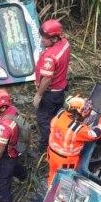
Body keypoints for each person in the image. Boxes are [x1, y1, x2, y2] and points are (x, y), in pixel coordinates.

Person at [47, 97, 101, 186]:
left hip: (51, 154)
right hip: (66, 161)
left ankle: (50, 189)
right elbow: (95, 134)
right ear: (79, 113)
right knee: (65, 181)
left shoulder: (60, 114)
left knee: (52, 175)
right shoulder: (77, 130)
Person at [34, 19, 72, 154]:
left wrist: (38, 95)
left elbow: (47, 79)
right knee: (57, 117)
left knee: (43, 120)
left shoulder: (50, 57)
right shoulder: (65, 43)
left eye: (45, 38)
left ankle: (45, 147)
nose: (42, 40)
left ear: (55, 38)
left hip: (50, 94)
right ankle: (59, 137)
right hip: (60, 89)